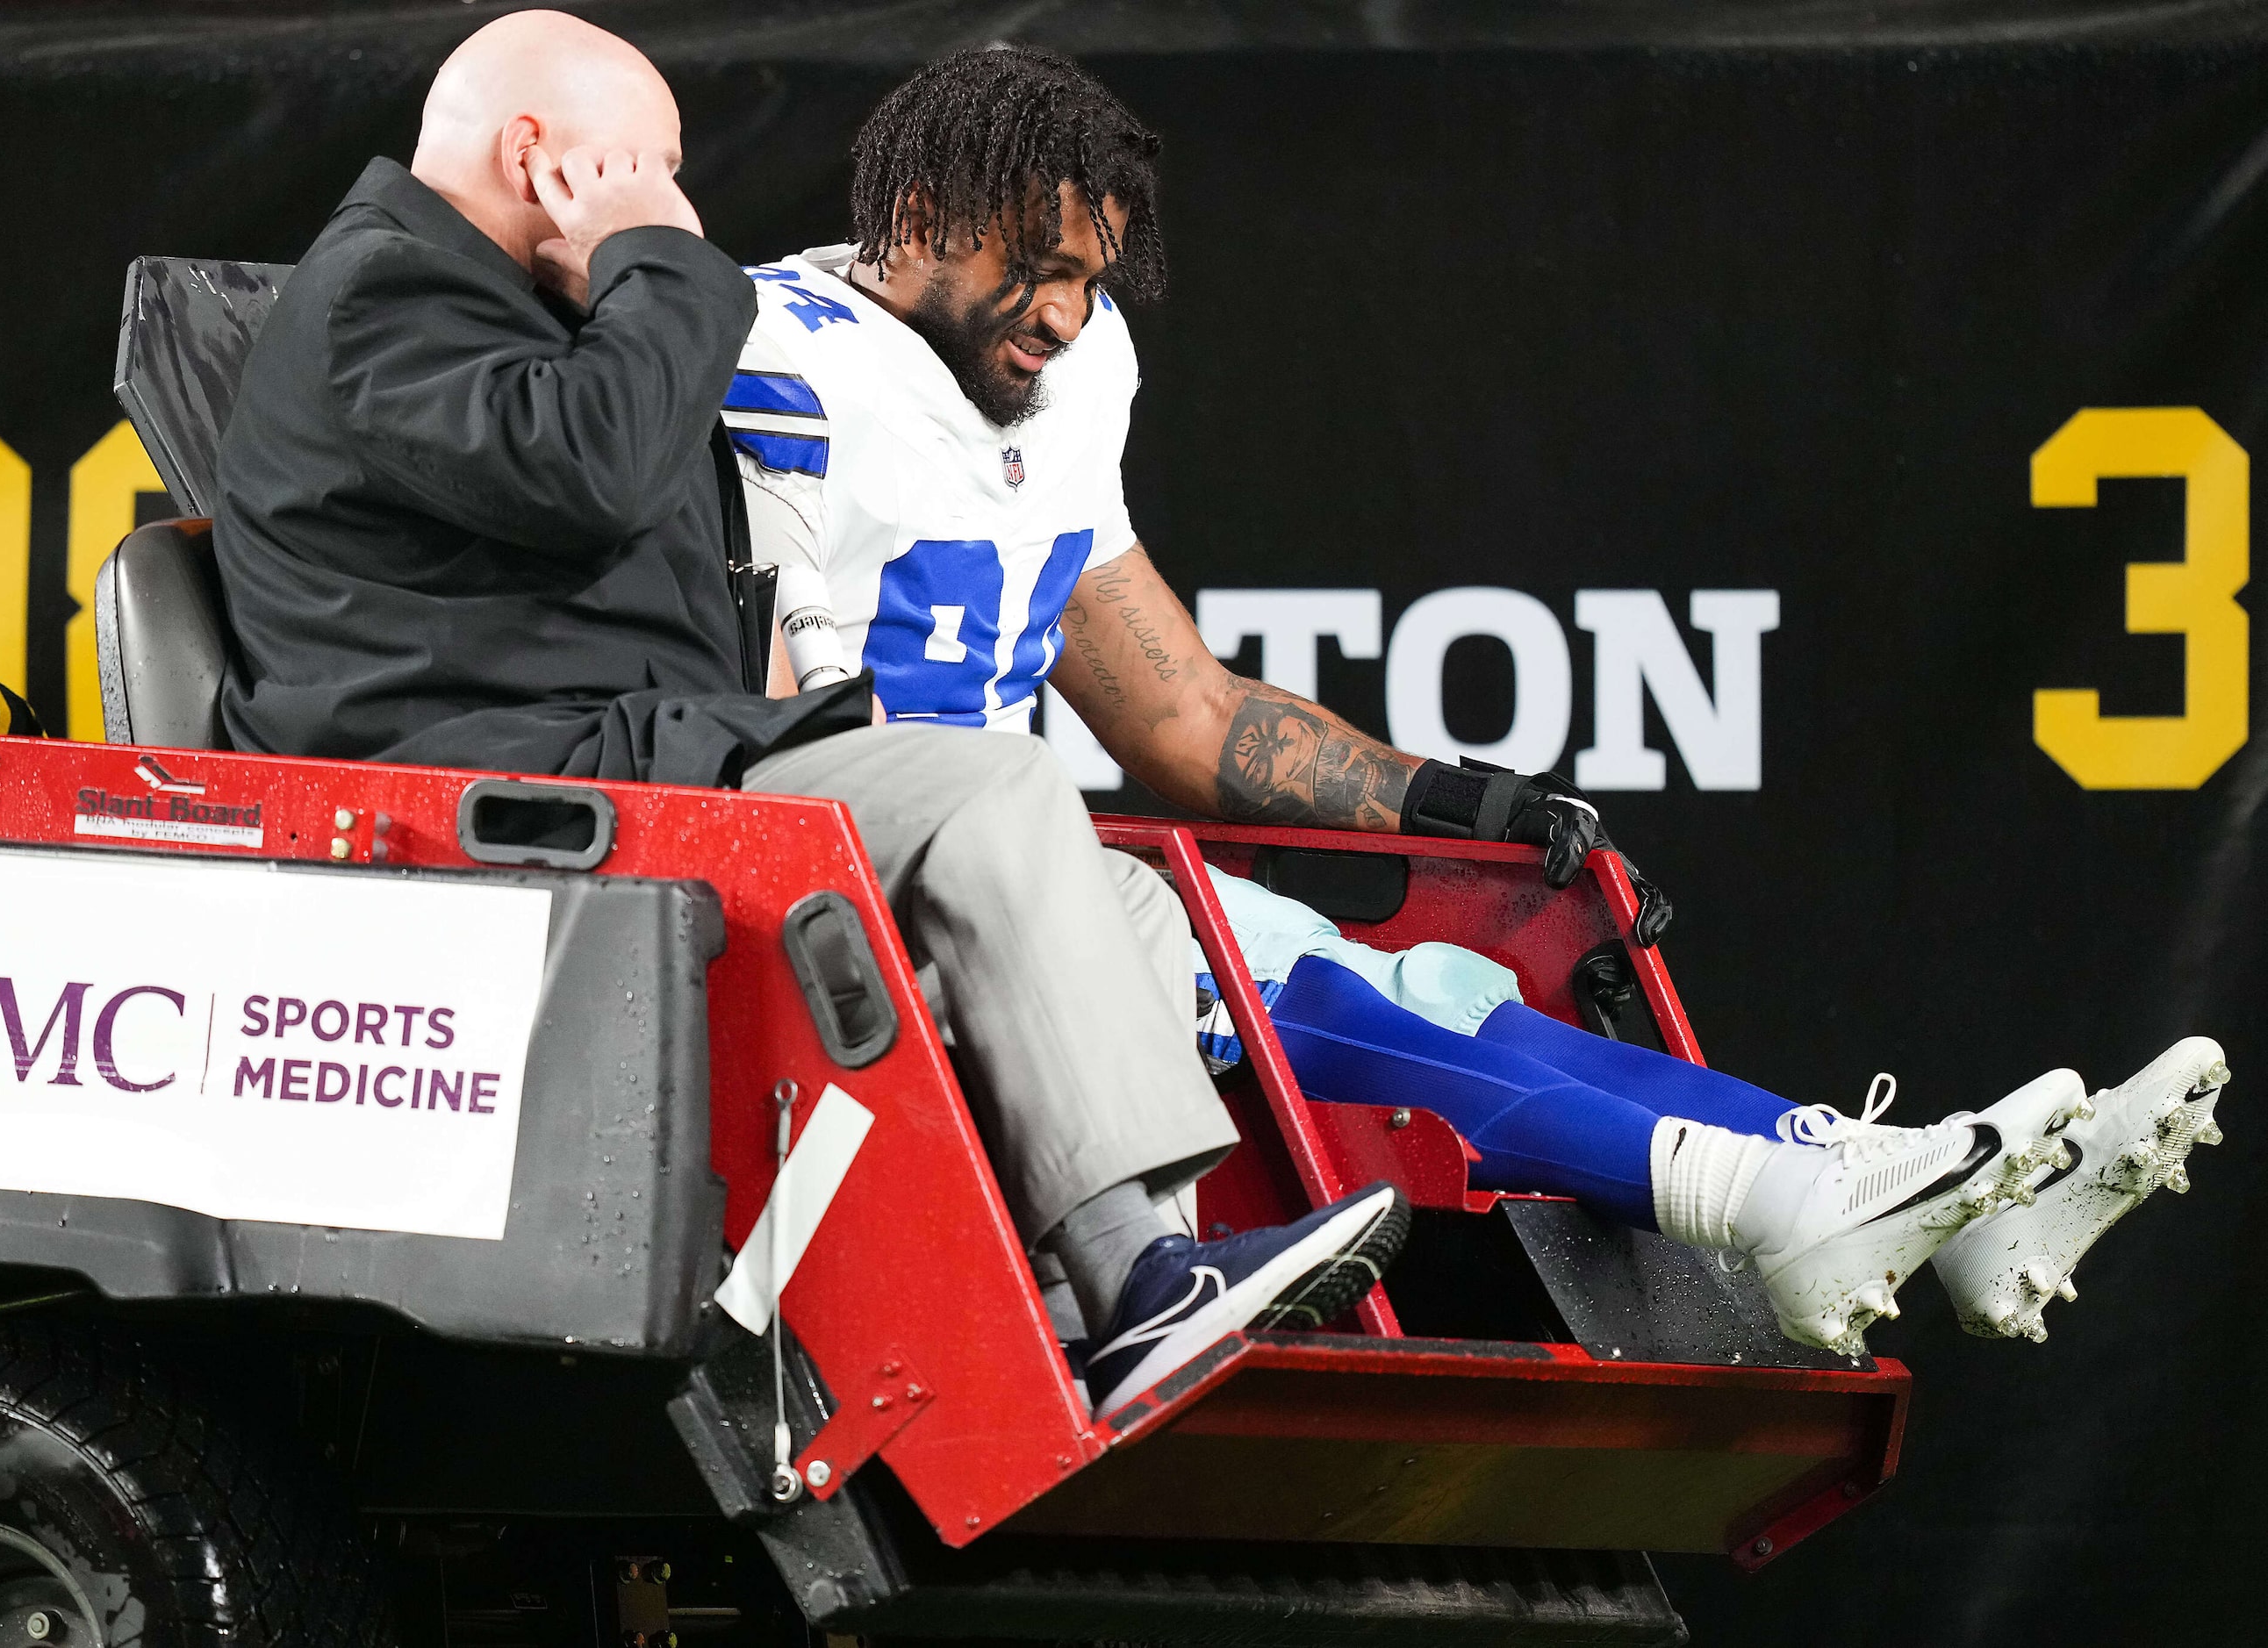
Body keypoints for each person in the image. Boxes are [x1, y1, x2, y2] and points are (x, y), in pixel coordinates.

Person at [723, 44, 2230, 1355]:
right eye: (1030, 268)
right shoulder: (770, 355)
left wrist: (1445, 799)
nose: (1059, 314)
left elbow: (1177, 707)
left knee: (1443, 981)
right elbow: (768, 714)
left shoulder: (1070, 369)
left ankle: (1873, 1176)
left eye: (1086, 277)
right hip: (890, 899)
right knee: (1302, 988)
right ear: (915, 217)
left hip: (1034, 867)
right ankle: (1791, 1192)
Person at [208, 10, 1403, 1424]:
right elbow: (589, 469)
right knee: (990, 789)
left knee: (1119, 898)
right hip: (491, 803)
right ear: (534, 154)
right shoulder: (380, 290)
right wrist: (661, 256)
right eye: (637, 164)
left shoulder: (505, 310)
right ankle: (1137, 1282)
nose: (667, 195)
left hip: (629, 767)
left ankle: (1107, 1293)